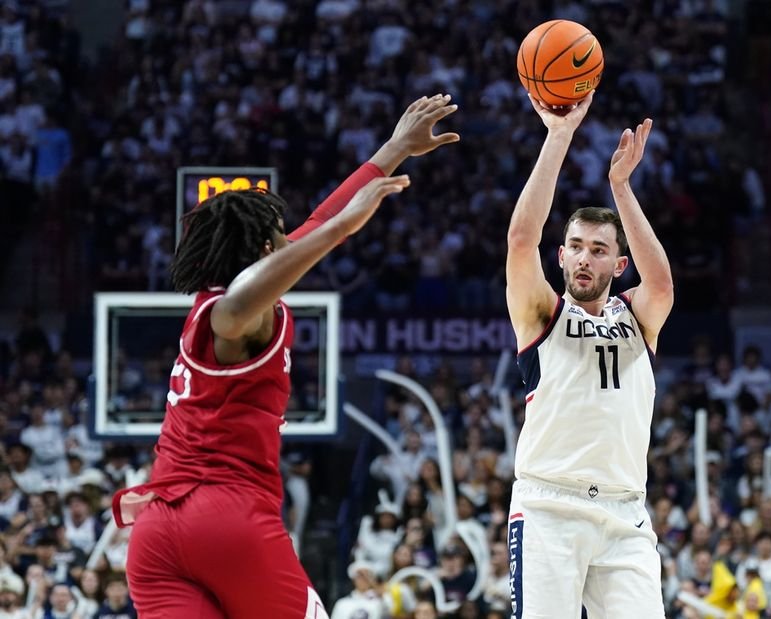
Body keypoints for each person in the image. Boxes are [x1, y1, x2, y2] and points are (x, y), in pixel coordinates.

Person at [110, 94, 460, 618]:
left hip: (157, 533)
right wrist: (342, 228)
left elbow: (320, 216)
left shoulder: (225, 298)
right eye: (278, 236)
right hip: (227, 516)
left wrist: (393, 150)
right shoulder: (231, 315)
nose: (288, 239)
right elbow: (308, 241)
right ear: (264, 250)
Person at [505, 89, 673, 618]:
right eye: (575, 246)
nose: (584, 258)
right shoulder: (541, 312)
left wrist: (621, 187)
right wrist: (559, 136)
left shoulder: (637, 316)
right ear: (561, 255)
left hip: (625, 515)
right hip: (549, 506)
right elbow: (519, 239)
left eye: (598, 250)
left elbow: (663, 284)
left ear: (618, 265)